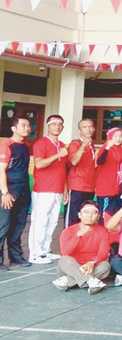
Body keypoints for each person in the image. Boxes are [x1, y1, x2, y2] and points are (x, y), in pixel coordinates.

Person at [28, 115, 68, 265]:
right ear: (47, 126)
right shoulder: (41, 143)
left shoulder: (62, 145)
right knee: (40, 221)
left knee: (52, 222)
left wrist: (65, 189)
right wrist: (58, 155)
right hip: (43, 189)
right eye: (54, 124)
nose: (57, 126)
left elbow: (63, 169)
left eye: (60, 124)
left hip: (58, 189)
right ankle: (35, 254)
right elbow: (39, 164)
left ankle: (45, 250)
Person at [51, 201, 110, 294]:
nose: (89, 216)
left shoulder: (102, 232)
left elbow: (103, 252)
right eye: (86, 212)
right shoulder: (68, 231)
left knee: (105, 266)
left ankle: (67, 281)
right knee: (64, 259)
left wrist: (93, 262)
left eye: (93, 213)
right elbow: (65, 252)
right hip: (70, 268)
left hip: (91, 267)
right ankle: (90, 281)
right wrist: (78, 236)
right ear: (79, 215)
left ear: (98, 216)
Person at [0, 116, 32, 269]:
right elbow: (1, 170)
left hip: (23, 189)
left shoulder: (25, 146)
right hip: (9, 190)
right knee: (3, 225)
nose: (27, 128)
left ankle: (16, 257)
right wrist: (4, 193)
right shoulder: (7, 145)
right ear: (14, 128)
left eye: (28, 125)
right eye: (23, 125)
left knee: (19, 225)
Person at [66, 118, 97, 227]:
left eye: (90, 126)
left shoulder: (91, 145)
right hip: (77, 186)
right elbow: (74, 161)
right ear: (79, 131)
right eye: (85, 127)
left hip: (89, 187)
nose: (88, 129)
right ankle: (69, 238)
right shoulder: (75, 143)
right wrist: (83, 146)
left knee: (85, 219)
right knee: (73, 220)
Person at [94, 127, 122, 223]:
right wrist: (107, 148)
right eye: (115, 136)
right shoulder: (105, 148)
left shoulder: (120, 150)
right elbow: (100, 161)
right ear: (110, 137)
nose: (118, 138)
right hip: (105, 188)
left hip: (115, 188)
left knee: (113, 215)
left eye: (120, 136)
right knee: (104, 215)